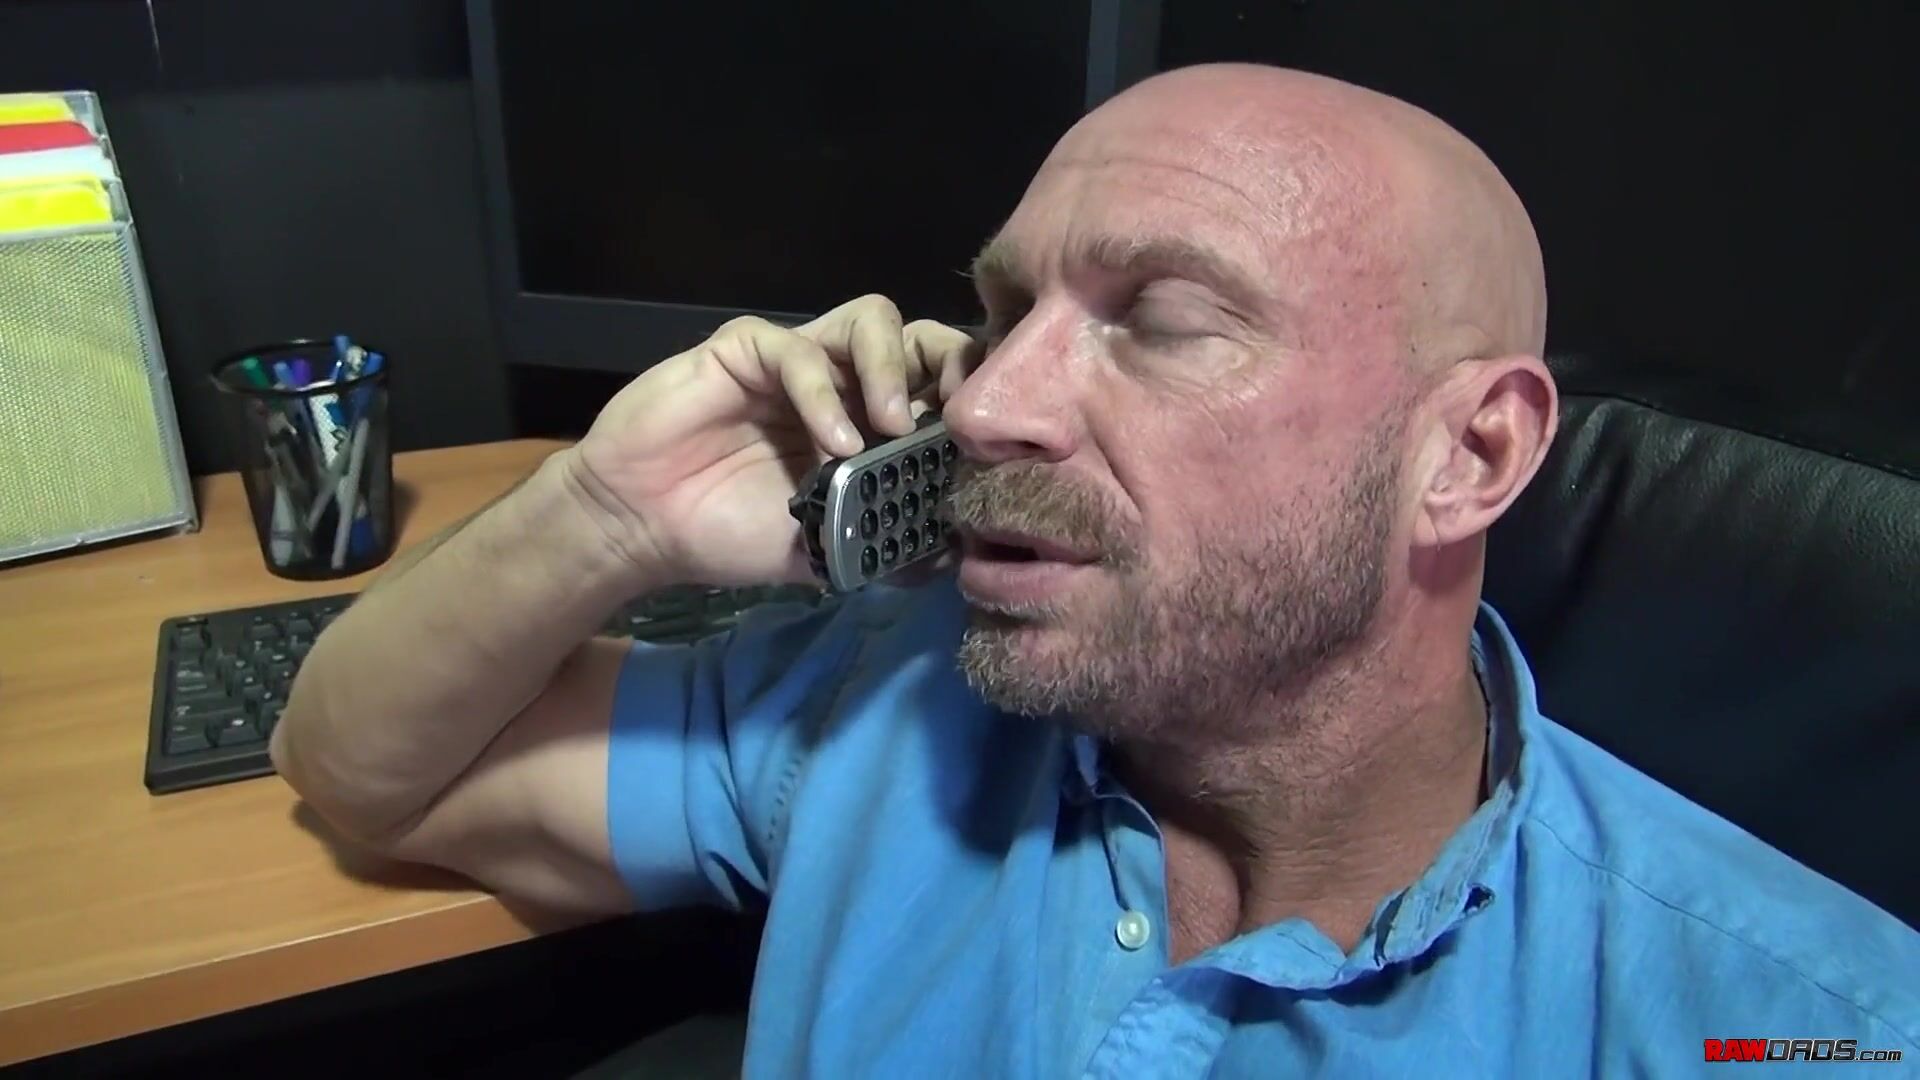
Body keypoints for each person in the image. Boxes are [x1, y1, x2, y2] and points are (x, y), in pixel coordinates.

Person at [273, 63, 1919, 1076]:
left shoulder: (1789, 1026)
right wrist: (607, 514)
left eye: (1161, 321)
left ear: (1470, 455)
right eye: (1003, 313)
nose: (989, 398)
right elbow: (364, 771)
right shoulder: (883, 719)